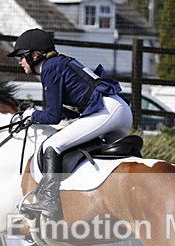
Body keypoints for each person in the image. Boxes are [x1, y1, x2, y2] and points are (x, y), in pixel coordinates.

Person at [7, 28, 132, 219]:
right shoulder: (58, 63)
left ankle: (49, 202)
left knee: (52, 145)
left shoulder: (49, 68)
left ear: (35, 55)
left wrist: (31, 115)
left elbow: (53, 116)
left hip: (107, 111)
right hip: (117, 110)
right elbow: (64, 112)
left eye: (22, 56)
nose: (19, 61)